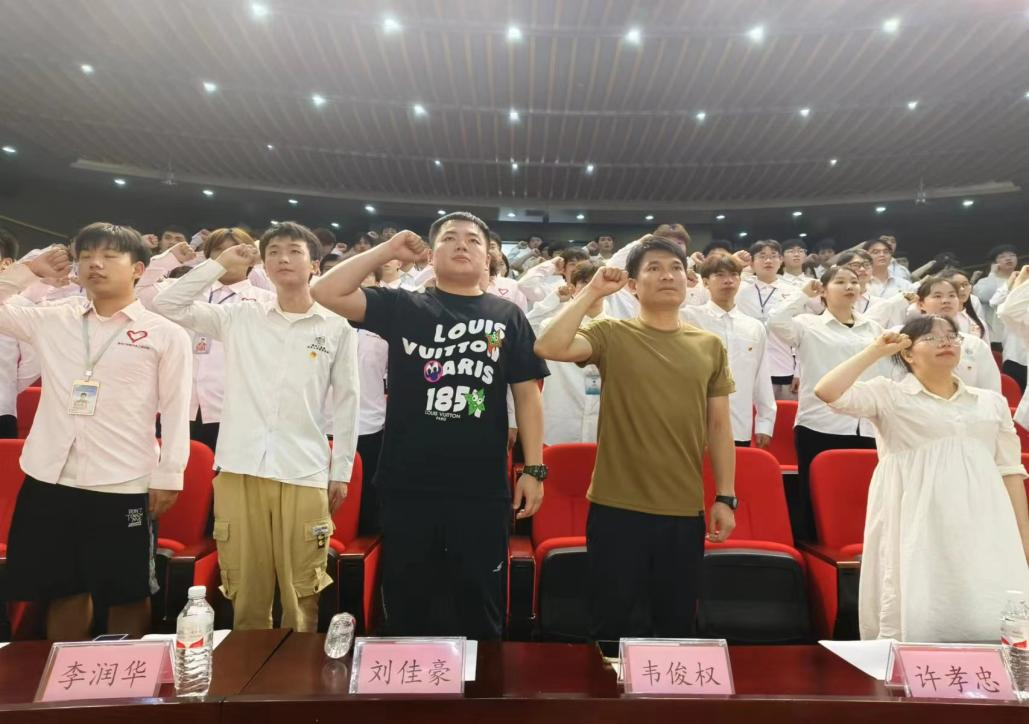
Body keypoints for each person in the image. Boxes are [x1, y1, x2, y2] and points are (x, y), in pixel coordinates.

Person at [311, 212, 548, 640]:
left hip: (480, 488)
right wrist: (387, 250)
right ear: (431, 255)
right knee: (407, 601)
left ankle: (481, 682)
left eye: (473, 240)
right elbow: (325, 291)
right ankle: (411, 679)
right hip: (408, 483)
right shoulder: (404, 306)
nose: (462, 245)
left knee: (480, 602)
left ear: (488, 258)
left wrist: (533, 468)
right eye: (450, 238)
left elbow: (527, 396)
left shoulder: (508, 316)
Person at [153, 221, 360, 632]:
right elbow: (167, 305)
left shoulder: (335, 327)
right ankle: (249, 666)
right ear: (263, 263)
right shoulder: (239, 316)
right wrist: (219, 263)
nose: (283, 258)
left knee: (302, 587)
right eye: (274, 252)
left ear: (315, 265)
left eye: (295, 251)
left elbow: (347, 403)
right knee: (245, 586)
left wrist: (341, 471)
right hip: (240, 465)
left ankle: (298, 664)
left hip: (303, 468)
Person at [534, 235, 737, 640]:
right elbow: (548, 345)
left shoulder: (709, 345)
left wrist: (726, 496)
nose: (668, 276)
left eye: (676, 268)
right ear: (632, 285)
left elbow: (719, 426)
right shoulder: (612, 333)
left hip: (683, 508)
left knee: (675, 624)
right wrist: (592, 291)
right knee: (611, 623)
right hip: (616, 507)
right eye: (654, 268)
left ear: (688, 280)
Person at [0, 225, 192, 641]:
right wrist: (30, 270)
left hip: (122, 479)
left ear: (138, 269)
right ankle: (65, 675)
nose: (95, 264)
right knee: (63, 588)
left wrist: (170, 474)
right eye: (85, 256)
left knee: (127, 591)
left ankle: (123, 675)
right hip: (51, 475)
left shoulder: (165, 334)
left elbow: (178, 410)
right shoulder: (54, 319)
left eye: (109, 256)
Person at [814, 316, 1029, 641]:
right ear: (907, 353)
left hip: (985, 521)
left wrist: (1022, 540)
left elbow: (1011, 472)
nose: (946, 342)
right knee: (923, 607)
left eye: (952, 336)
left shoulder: (991, 402)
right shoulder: (889, 395)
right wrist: (875, 351)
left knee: (990, 610)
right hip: (917, 520)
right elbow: (827, 391)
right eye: (931, 337)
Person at [768, 267, 889, 540]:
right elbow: (776, 321)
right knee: (817, 501)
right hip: (821, 423)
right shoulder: (807, 324)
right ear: (823, 290)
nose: (849, 286)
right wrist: (803, 294)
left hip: (866, 425)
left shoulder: (873, 329)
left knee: (864, 498)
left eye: (854, 282)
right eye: (840, 282)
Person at [137, 228, 275, 452]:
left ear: (251, 257)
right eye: (220, 251)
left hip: (233, 408)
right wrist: (168, 260)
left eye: (236, 249)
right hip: (178, 402)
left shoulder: (266, 300)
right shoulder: (181, 292)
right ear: (209, 256)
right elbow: (137, 290)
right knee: (170, 468)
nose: (229, 256)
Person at [682, 255, 775, 447]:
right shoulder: (688, 318)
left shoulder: (754, 327)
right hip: (694, 423)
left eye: (734, 275)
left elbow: (761, 377)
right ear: (705, 282)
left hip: (738, 422)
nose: (728, 280)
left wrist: (765, 422)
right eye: (719, 275)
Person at [910, 276, 999, 392]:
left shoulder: (975, 344)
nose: (946, 300)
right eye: (937, 296)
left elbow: (992, 389)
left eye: (952, 296)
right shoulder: (908, 339)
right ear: (921, 304)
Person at [736, 240, 798, 401]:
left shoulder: (794, 292)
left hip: (784, 366)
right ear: (751, 262)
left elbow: (802, 333)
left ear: (781, 260)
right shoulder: (740, 290)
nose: (768, 260)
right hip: (748, 366)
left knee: (785, 414)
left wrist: (799, 370)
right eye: (762, 256)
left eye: (773, 256)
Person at [517, 245, 590, 308]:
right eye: (572, 264)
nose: (577, 267)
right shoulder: (551, 290)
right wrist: (551, 265)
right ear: (563, 268)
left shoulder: (593, 290)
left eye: (583, 264)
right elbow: (524, 285)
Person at [974, 244, 1019, 342]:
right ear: (994, 263)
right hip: (998, 336)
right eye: (1002, 256)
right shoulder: (984, 281)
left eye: (1012, 255)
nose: (1008, 258)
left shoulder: (1023, 280)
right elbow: (985, 296)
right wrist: (992, 274)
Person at [938, 268, 989, 343]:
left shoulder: (978, 322)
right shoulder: (936, 320)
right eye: (956, 285)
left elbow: (985, 348)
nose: (962, 289)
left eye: (965, 284)